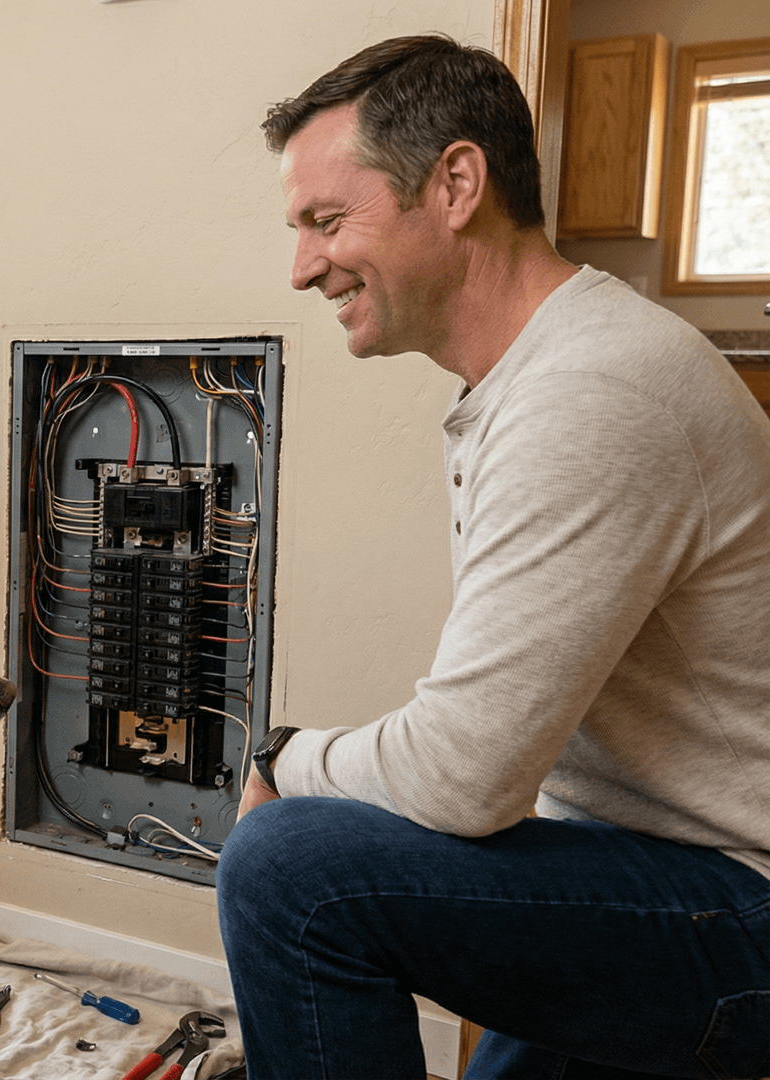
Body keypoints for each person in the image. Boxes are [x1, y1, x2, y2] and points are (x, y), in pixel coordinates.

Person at [219, 34, 770, 1080]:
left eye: (327, 222)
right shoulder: (546, 376)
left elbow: (467, 778)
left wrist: (281, 759)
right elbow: (493, 757)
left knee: (289, 866)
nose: (302, 268)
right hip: (644, 856)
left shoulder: (593, 394)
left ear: (457, 184)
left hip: (742, 905)